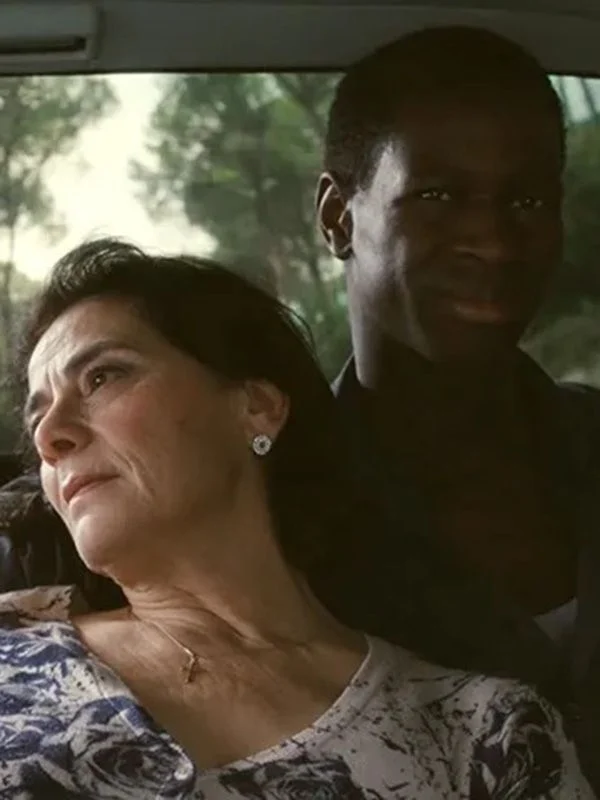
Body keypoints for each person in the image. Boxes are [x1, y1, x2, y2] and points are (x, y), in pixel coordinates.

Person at [0, 236, 590, 798]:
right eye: (37, 417)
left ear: (257, 407)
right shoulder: (13, 643)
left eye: (102, 377)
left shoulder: (483, 738)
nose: (50, 436)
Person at [314, 23, 600, 793]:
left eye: (528, 200)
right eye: (437, 196)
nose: (496, 242)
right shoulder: (272, 510)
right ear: (339, 217)